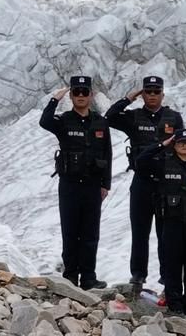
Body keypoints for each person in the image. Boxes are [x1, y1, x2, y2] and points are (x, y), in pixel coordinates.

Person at [106, 75, 186, 292]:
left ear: (162, 94)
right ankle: (138, 275)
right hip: (141, 181)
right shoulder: (134, 117)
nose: (152, 95)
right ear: (143, 94)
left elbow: (183, 148)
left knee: (165, 233)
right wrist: (128, 98)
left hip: (166, 184)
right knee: (139, 231)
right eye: (147, 91)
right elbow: (110, 117)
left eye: (156, 91)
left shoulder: (173, 118)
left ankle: (166, 276)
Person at [38, 75, 112, 289]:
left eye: (84, 92)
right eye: (76, 92)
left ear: (91, 95)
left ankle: (89, 277)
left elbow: (107, 153)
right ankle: (70, 276)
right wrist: (55, 99)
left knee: (90, 233)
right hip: (69, 185)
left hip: (92, 185)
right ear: (71, 96)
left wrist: (105, 184)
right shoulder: (64, 120)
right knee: (70, 231)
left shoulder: (100, 122)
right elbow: (44, 121)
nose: (80, 96)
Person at [137, 127, 186, 317]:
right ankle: (175, 303)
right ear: (174, 144)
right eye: (180, 142)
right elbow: (141, 161)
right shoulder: (163, 163)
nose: (185, 145)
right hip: (171, 221)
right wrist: (162, 145)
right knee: (172, 263)